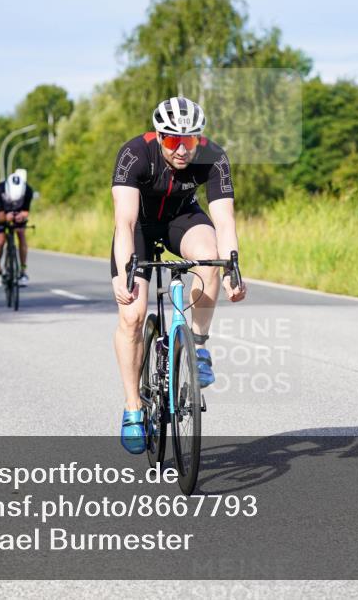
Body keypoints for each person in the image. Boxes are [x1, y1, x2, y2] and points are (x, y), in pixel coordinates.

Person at [110, 96, 247, 454]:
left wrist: (233, 268)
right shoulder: (135, 154)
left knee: (210, 257)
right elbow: (124, 222)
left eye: (190, 140)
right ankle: (133, 409)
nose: (182, 149)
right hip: (139, 226)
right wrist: (124, 274)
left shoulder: (213, 156)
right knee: (133, 315)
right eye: (172, 140)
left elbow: (225, 221)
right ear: (159, 137)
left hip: (180, 220)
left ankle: (198, 346)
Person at [0, 169, 33, 287]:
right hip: (2, 214)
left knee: (21, 234)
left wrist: (21, 216)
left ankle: (23, 271)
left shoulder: (28, 190)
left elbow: (25, 211)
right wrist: (6, 217)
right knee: (0, 241)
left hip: (17, 214)